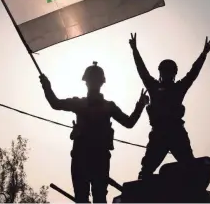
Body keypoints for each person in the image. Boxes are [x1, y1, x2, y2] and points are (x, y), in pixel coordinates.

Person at [39, 61, 149, 203]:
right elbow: (55, 103)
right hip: (88, 158)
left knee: (93, 198)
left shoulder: (101, 106)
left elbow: (129, 123)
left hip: (93, 158)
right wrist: (46, 86)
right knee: (91, 198)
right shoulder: (91, 104)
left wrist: (140, 105)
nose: (92, 84)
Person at [128, 33, 210, 179]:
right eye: (165, 72)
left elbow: (193, 73)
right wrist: (134, 50)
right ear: (161, 73)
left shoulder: (179, 88)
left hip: (176, 132)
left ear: (173, 74)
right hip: (159, 133)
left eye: (169, 72)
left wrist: (204, 54)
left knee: (189, 166)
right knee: (146, 170)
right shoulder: (154, 87)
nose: (167, 75)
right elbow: (142, 71)